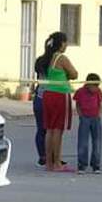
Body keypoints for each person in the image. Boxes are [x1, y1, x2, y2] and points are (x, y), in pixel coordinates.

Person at [41, 31, 78, 172]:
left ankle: (49, 163)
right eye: (65, 42)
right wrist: (68, 75)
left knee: (49, 129)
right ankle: (57, 163)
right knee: (58, 130)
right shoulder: (61, 58)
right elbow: (74, 74)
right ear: (61, 43)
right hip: (60, 94)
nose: (67, 45)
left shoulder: (48, 57)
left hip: (48, 94)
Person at [73, 73, 102, 174]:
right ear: (88, 84)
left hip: (95, 118)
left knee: (97, 142)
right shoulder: (80, 92)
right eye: (94, 86)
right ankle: (82, 165)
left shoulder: (98, 92)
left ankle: (96, 165)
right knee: (83, 142)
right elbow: (77, 104)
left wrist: (98, 114)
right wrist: (80, 115)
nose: (96, 88)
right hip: (85, 118)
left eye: (97, 86)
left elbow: (99, 103)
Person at [32, 39, 51, 167]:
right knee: (52, 129)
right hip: (50, 97)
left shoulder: (40, 60)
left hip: (39, 97)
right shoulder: (55, 62)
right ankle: (51, 157)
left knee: (41, 129)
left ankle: (42, 156)